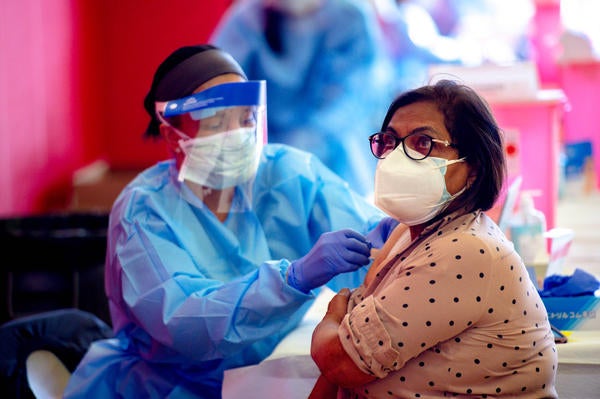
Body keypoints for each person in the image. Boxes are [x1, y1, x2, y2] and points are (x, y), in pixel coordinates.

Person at [61, 44, 395, 398]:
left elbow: (371, 245)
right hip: (166, 386)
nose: (237, 134)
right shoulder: (142, 211)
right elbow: (186, 326)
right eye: (216, 122)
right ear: (173, 134)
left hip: (269, 372)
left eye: (246, 118)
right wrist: (291, 279)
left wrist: (399, 239)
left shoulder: (285, 174)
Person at [309, 79, 558, 398]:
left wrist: (332, 315)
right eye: (390, 141)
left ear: (473, 168)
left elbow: (339, 361)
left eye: (422, 143)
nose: (397, 157)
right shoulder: (409, 233)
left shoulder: (466, 251)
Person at [210, 0, 395, 197]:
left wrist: (300, 147)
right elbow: (219, 81)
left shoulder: (349, 15)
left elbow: (355, 95)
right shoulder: (249, 17)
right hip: (265, 152)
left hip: (337, 157)